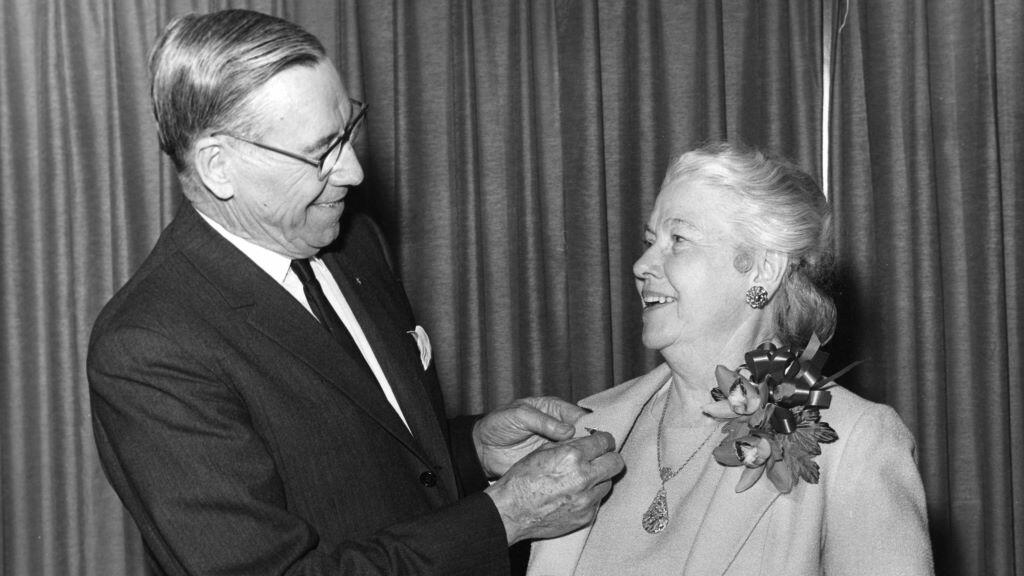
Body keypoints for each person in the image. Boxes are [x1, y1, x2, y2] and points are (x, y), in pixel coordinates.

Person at [87, 9, 623, 576]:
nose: (353, 172)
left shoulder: (351, 239)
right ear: (219, 167)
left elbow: (362, 463)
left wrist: (471, 451)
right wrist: (506, 516)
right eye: (321, 152)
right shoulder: (149, 348)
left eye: (348, 131)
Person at [527, 142, 934, 575]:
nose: (642, 264)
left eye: (677, 240)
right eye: (650, 241)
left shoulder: (853, 442)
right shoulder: (589, 425)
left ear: (763, 269)